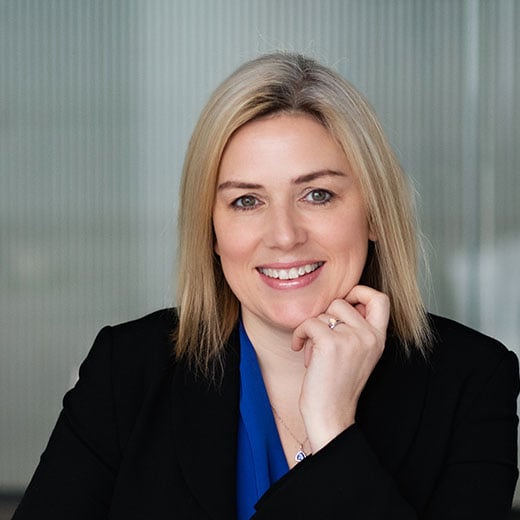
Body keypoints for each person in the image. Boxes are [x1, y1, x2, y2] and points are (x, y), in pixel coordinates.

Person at [13, 53, 519, 519]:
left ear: (374, 215)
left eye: (317, 194)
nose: (284, 235)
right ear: (212, 232)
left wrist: (332, 430)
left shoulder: (473, 380)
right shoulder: (126, 369)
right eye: (246, 201)